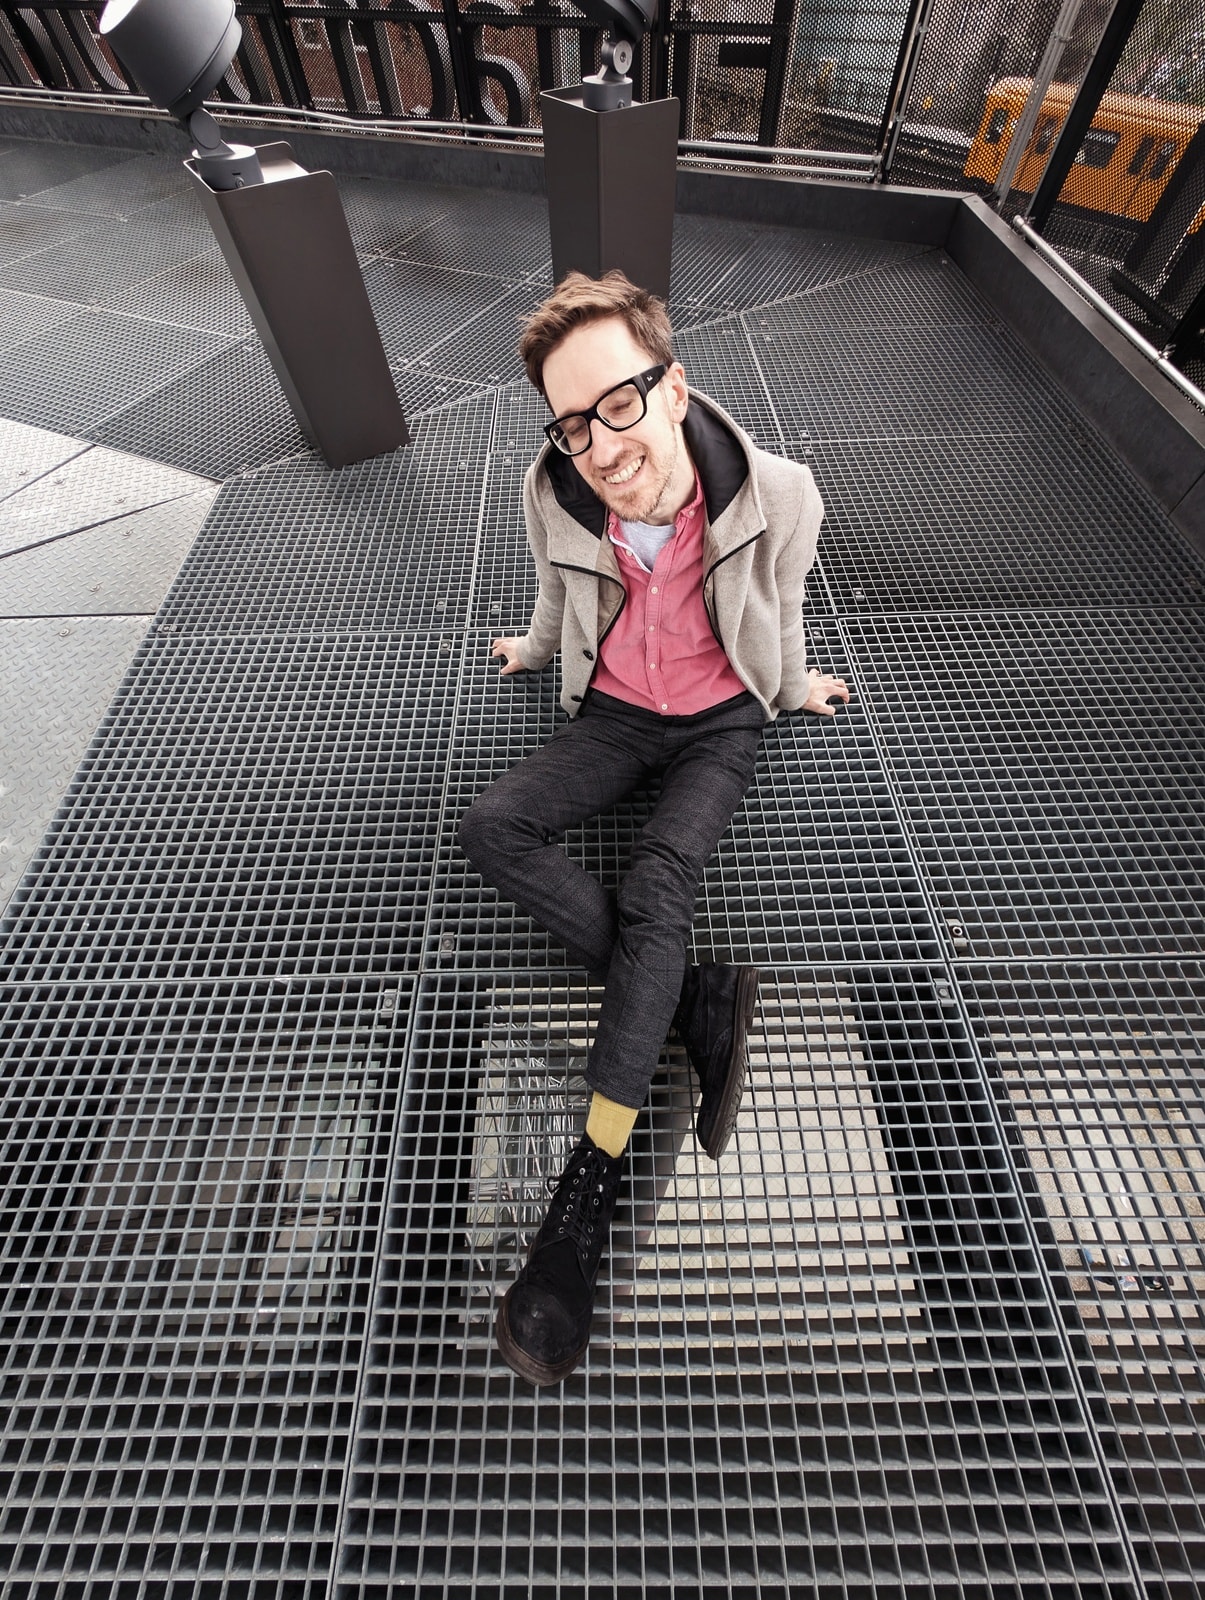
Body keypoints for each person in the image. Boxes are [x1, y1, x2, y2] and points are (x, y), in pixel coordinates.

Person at [457, 270, 849, 1386]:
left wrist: (792, 681)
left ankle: (587, 1183)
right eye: (574, 421)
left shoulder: (778, 490)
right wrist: (535, 651)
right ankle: (686, 996)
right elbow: (549, 584)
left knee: (655, 885)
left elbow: (786, 592)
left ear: (672, 388)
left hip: (722, 718)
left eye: (617, 404)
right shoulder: (555, 486)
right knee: (490, 827)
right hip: (620, 715)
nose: (598, 442)